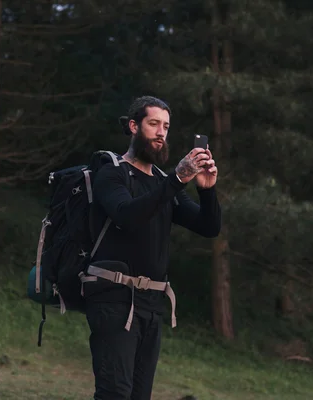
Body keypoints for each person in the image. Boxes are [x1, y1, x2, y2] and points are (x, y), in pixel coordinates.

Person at [82, 95, 221, 400]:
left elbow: (208, 227)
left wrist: (206, 191)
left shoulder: (162, 181)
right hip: (114, 298)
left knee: (138, 395)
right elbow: (127, 216)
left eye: (166, 126)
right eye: (154, 123)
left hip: (151, 303)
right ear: (134, 126)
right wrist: (177, 179)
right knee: (114, 393)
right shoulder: (112, 172)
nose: (161, 132)